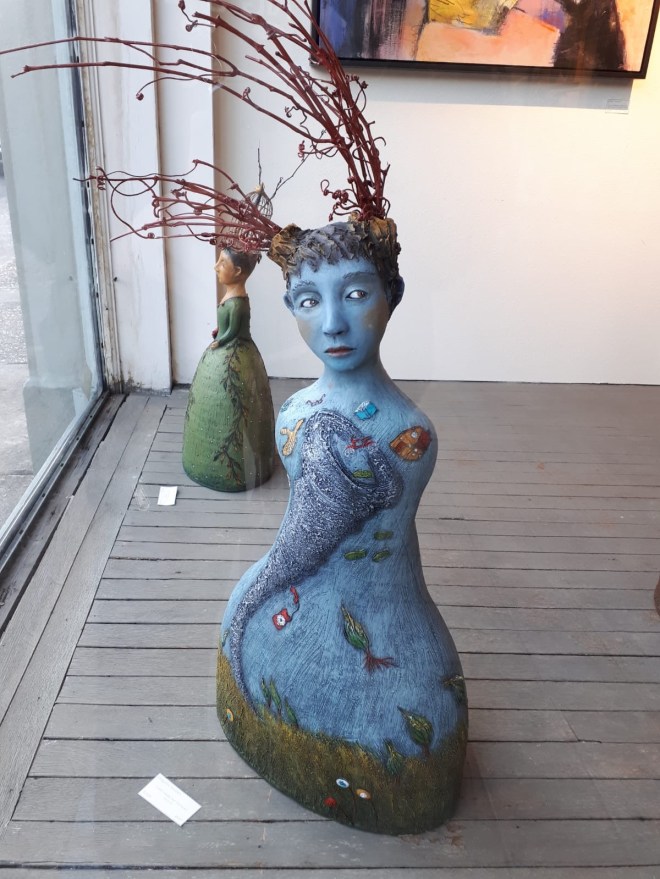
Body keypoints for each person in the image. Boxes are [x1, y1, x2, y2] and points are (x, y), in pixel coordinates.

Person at [217, 218, 467, 834]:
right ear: (289, 309)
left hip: (385, 618)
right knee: (249, 614)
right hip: (303, 590)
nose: (332, 324)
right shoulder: (295, 413)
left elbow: (380, 531)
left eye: (355, 294)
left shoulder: (411, 433)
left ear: (392, 295)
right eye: (309, 301)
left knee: (418, 714)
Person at [182, 247, 275, 492]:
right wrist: (218, 333)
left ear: (238, 271)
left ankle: (244, 468)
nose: (216, 267)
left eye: (222, 263)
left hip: (236, 353)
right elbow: (225, 327)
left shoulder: (238, 304)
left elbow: (234, 330)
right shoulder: (231, 297)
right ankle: (204, 462)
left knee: (237, 407)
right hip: (224, 352)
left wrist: (220, 340)